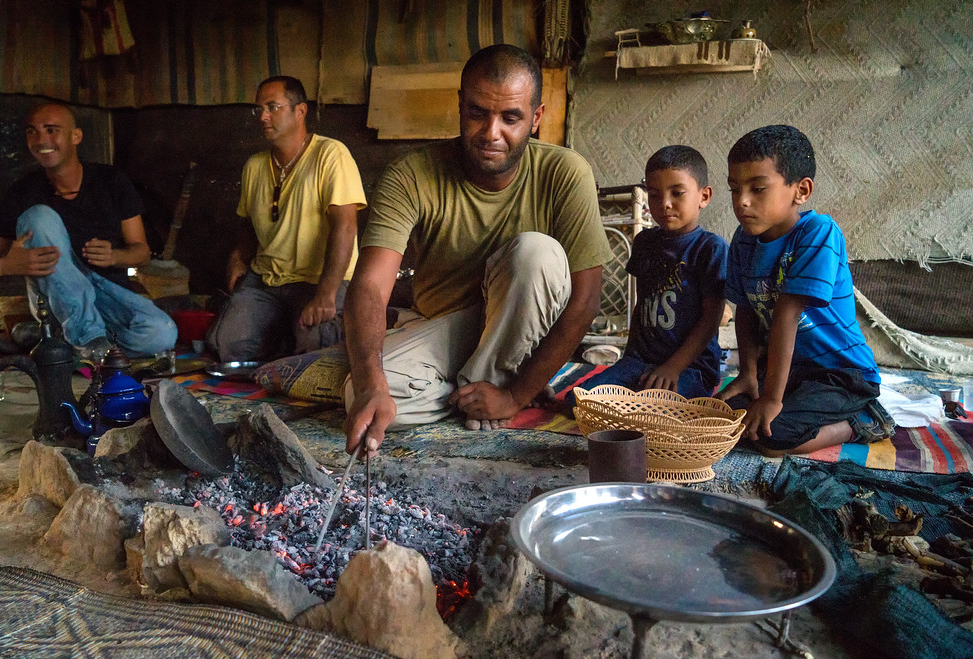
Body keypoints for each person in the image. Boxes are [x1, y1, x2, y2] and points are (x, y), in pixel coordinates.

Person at [344, 44, 612, 457]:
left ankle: (491, 392)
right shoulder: (411, 174)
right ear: (460, 105)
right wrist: (372, 386)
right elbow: (370, 287)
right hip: (446, 326)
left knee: (536, 253)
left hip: (521, 329)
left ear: (536, 117)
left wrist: (516, 397)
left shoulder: (565, 173)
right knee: (364, 394)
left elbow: (586, 300)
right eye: (477, 113)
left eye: (510, 118)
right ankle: (478, 394)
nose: (491, 133)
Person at [717, 125, 893, 454]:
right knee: (728, 417)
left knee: (770, 437)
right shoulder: (743, 240)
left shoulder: (818, 232)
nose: (742, 201)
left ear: (801, 190)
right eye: (735, 189)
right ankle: (779, 401)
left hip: (841, 374)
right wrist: (748, 373)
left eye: (758, 189)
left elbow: (786, 314)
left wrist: (772, 399)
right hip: (792, 371)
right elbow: (746, 310)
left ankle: (863, 420)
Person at [0, 102, 176, 358]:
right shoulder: (23, 194)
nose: (41, 140)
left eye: (51, 130)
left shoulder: (112, 181)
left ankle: (55, 340)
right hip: (56, 302)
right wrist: (4, 266)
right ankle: (88, 340)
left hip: (108, 294)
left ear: (76, 136)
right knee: (38, 216)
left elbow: (141, 253)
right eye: (32, 132)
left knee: (161, 335)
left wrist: (115, 256)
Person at [206, 76, 366, 362]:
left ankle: (294, 336)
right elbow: (248, 223)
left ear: (300, 111)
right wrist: (239, 258)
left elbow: (345, 226)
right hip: (266, 279)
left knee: (313, 350)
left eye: (273, 107)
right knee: (226, 346)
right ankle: (282, 335)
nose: (263, 116)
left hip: (318, 280)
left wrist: (326, 294)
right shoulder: (255, 165)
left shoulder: (331, 154)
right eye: (259, 109)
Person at [569, 145, 727, 403]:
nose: (665, 204)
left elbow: (711, 319)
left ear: (704, 196)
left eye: (677, 193)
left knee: (653, 412)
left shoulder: (710, 248)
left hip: (690, 368)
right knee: (580, 400)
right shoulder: (644, 242)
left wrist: (673, 367)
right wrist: (628, 359)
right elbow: (641, 304)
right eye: (654, 195)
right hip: (639, 362)